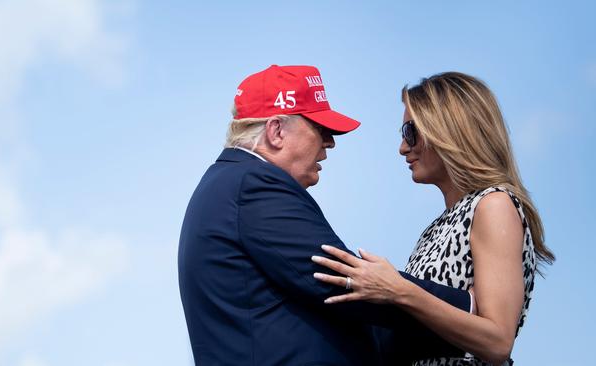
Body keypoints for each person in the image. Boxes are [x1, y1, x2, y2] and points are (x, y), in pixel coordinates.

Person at [178, 65, 474, 366]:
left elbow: (341, 311)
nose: (330, 143)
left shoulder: (232, 184)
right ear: (276, 131)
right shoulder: (253, 187)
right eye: (321, 129)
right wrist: (469, 308)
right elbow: (345, 282)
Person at [312, 72, 555, 365]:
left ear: (449, 130)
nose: (403, 147)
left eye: (410, 132)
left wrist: (398, 290)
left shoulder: (494, 205)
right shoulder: (438, 227)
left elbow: (497, 341)